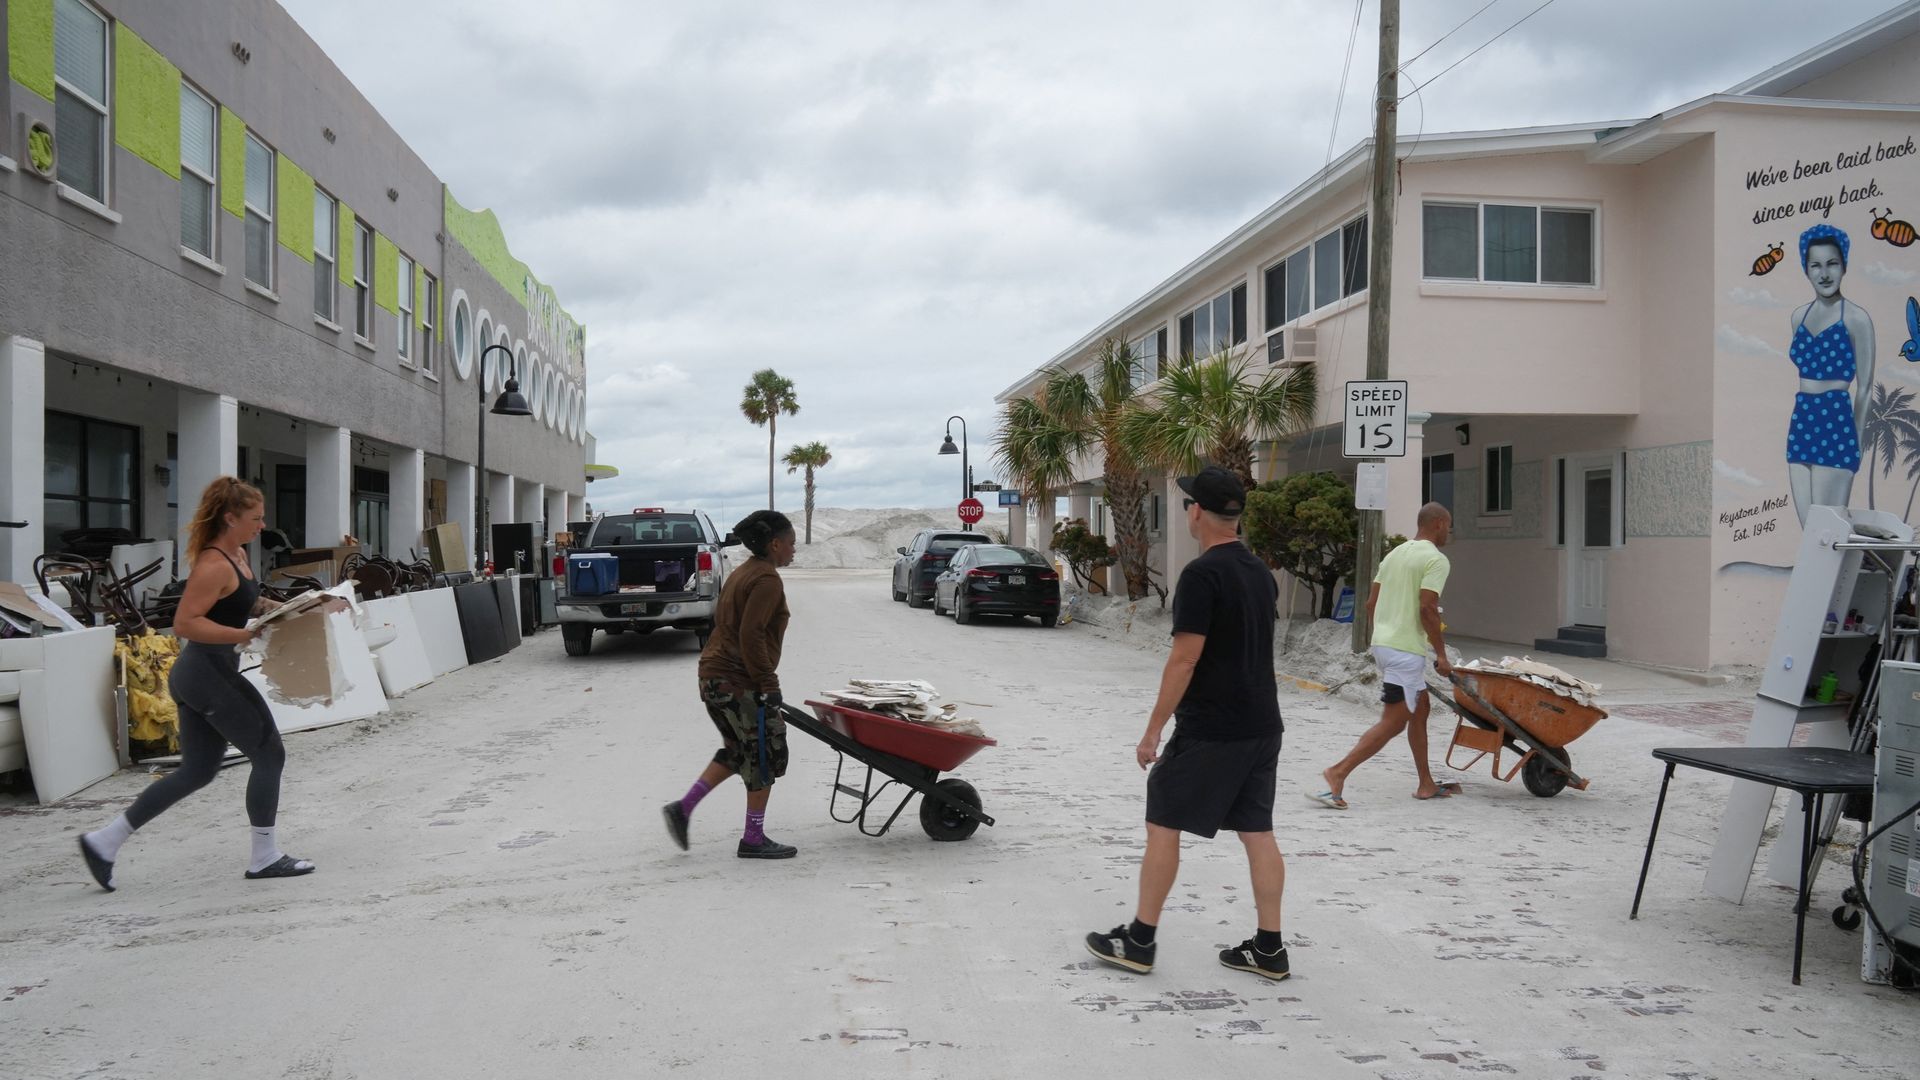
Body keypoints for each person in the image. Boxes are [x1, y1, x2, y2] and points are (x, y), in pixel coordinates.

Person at [1085, 466, 1291, 982]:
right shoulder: (1259, 573)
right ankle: (1270, 949)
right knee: (1257, 831)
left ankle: (1139, 941)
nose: (1186, 511)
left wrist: (1154, 729)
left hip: (1212, 728)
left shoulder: (1203, 576)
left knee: (1163, 821)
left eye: (1186, 504)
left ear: (1197, 512)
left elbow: (1184, 660)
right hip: (1263, 725)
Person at [77, 478, 316, 890]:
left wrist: (299, 609)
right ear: (230, 517)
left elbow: (247, 603)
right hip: (207, 674)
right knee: (269, 754)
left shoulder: (237, 555)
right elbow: (187, 624)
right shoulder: (213, 565)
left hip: (203, 674)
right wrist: (242, 635)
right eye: (255, 518)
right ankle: (264, 857)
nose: (262, 526)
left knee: (197, 771)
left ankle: (104, 841)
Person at [662, 510, 799, 859]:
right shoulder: (766, 579)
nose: (794, 550)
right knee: (764, 753)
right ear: (774, 544)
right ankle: (753, 839)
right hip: (736, 679)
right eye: (791, 544)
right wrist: (769, 684)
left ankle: (684, 808)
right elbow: (751, 635)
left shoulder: (744, 572)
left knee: (738, 751)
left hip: (713, 676)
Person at [1312, 502, 1456, 809]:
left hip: (1384, 645)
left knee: (1421, 708)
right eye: (1450, 526)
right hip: (1404, 652)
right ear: (1440, 524)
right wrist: (1441, 655)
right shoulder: (1436, 559)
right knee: (1393, 722)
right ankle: (1337, 773)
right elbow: (1427, 608)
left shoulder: (1395, 555)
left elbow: (1370, 604)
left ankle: (1426, 783)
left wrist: (1387, 634)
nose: (1450, 532)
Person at [1784, 223, 1875, 527]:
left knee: (1827, 533)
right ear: (1806, 269)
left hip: (1835, 421)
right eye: (1816, 265)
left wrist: (1857, 443)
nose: (1824, 273)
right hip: (1802, 419)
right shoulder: (1799, 316)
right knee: (1809, 533)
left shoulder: (1856, 318)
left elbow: (1865, 387)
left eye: (1832, 263)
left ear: (1844, 266)